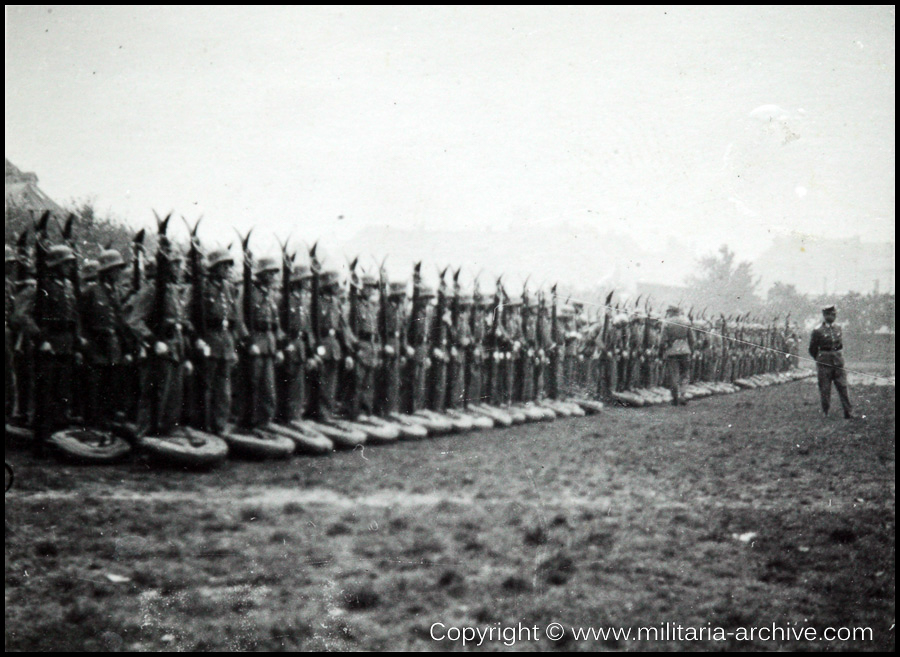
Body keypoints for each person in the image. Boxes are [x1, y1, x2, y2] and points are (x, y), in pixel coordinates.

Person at [808, 305, 854, 418]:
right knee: (825, 388)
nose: (832, 316)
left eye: (834, 314)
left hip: (838, 362)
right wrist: (820, 359)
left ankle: (848, 412)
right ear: (824, 315)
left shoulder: (838, 328)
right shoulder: (817, 330)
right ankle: (826, 412)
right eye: (829, 314)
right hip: (824, 362)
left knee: (843, 386)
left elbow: (839, 345)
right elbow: (812, 349)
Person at [658, 305, 693, 406]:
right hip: (685, 350)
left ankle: (675, 397)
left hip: (672, 350)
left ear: (671, 312)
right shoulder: (686, 321)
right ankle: (683, 394)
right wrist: (691, 350)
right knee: (685, 374)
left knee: (674, 375)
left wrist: (661, 351)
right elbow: (691, 339)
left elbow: (662, 340)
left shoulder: (667, 322)